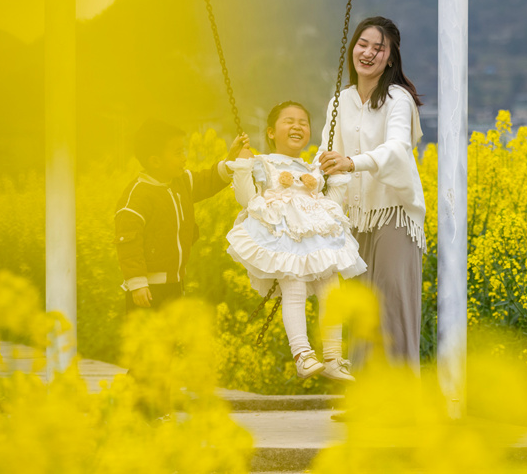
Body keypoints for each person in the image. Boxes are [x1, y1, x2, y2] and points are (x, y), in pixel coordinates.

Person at [226, 101, 366, 382]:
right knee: (294, 288)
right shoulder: (262, 163)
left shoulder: (312, 168)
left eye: (303, 122)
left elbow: (331, 205)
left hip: (316, 236)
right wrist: (241, 163)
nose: (297, 126)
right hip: (284, 236)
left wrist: (336, 177)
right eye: (288, 121)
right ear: (270, 132)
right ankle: (303, 355)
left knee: (332, 290)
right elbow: (246, 199)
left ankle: (333, 357)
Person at [318, 16, 425, 374]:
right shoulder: (340, 101)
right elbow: (326, 156)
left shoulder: (398, 99)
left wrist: (352, 163)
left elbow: (396, 149)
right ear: (353, 50)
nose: (368, 53)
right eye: (362, 44)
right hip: (355, 217)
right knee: (361, 307)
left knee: (393, 303)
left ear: (391, 58)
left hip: (393, 212)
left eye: (378, 47)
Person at [114, 119, 244, 313]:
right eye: (177, 153)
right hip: (147, 289)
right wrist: (138, 284)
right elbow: (128, 243)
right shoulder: (137, 196)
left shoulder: (180, 182)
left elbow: (206, 180)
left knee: (172, 340)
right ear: (155, 161)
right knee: (148, 341)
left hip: (174, 283)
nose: (184, 158)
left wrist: (230, 161)